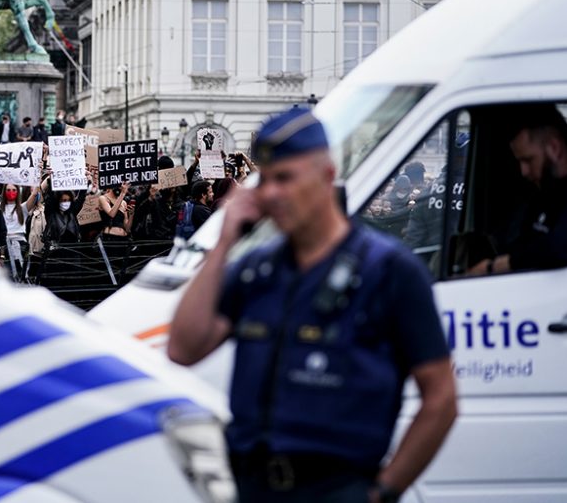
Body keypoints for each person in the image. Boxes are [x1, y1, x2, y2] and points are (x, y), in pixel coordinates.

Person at [168, 108, 457, 503]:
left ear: (326, 176)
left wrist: (382, 492)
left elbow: (441, 398)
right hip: (252, 487)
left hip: (336, 488)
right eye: (265, 181)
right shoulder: (258, 269)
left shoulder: (388, 270)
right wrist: (224, 240)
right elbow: (184, 347)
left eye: (285, 178)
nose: (271, 193)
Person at [468, 104, 567, 275]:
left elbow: (561, 246)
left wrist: (495, 266)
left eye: (528, 160)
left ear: (554, 148)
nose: (523, 171)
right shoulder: (542, 192)